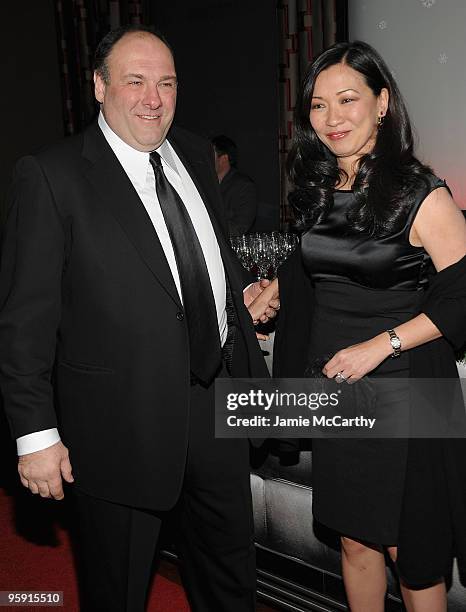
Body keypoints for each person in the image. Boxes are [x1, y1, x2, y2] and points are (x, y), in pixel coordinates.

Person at [0, 25, 279, 612]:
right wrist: (36, 436)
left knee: (230, 581)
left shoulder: (198, 155)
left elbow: (201, 256)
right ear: (100, 86)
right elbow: (25, 322)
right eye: (136, 81)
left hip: (217, 407)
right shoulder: (52, 176)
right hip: (117, 429)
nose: (154, 98)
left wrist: (236, 297)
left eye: (167, 83)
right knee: (119, 590)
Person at [272, 41, 466, 611]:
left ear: (382, 103)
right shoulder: (317, 189)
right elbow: (326, 258)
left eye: (348, 99)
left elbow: (463, 298)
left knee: (413, 554)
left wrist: (379, 346)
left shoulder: (421, 194)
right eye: (317, 105)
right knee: (355, 541)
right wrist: (278, 288)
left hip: (405, 384)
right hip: (337, 385)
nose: (332, 119)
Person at [212, 135, 257, 235]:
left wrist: (207, 227)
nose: (206, 159)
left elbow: (240, 227)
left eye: (211, 155)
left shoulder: (244, 186)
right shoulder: (206, 183)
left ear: (223, 159)